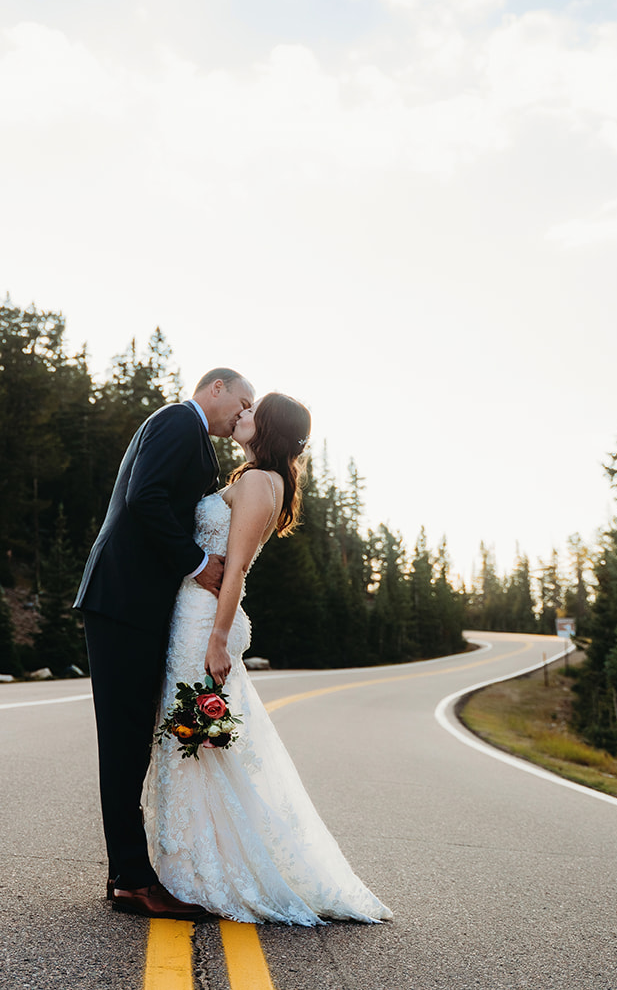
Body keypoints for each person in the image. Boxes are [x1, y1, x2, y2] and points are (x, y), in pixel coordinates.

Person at [142, 393, 393, 925]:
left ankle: (203, 871)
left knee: (195, 743)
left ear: (270, 427)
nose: (242, 414)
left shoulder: (258, 482)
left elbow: (234, 571)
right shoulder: (260, 477)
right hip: (195, 615)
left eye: (253, 411)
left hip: (203, 621)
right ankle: (188, 864)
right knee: (197, 743)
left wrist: (217, 639)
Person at [75, 368, 255, 920]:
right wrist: (199, 563)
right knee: (124, 742)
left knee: (134, 740)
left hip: (137, 606)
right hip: (123, 601)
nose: (242, 415)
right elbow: (143, 498)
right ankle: (132, 879)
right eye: (241, 402)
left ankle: (125, 873)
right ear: (216, 388)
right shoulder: (180, 421)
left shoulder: (195, 439)